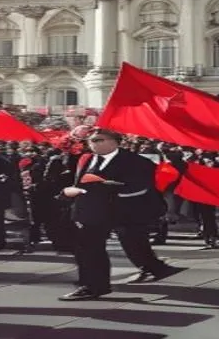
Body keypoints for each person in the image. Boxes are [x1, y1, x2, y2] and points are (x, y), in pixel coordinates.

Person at [59, 128, 181, 301]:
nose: (94, 144)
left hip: (123, 211)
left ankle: (150, 268)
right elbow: (79, 183)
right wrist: (69, 193)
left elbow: (140, 187)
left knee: (132, 242)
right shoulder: (86, 159)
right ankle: (94, 285)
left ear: (115, 141)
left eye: (99, 140)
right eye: (91, 141)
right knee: (88, 248)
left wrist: (104, 187)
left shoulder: (136, 161)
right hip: (92, 212)